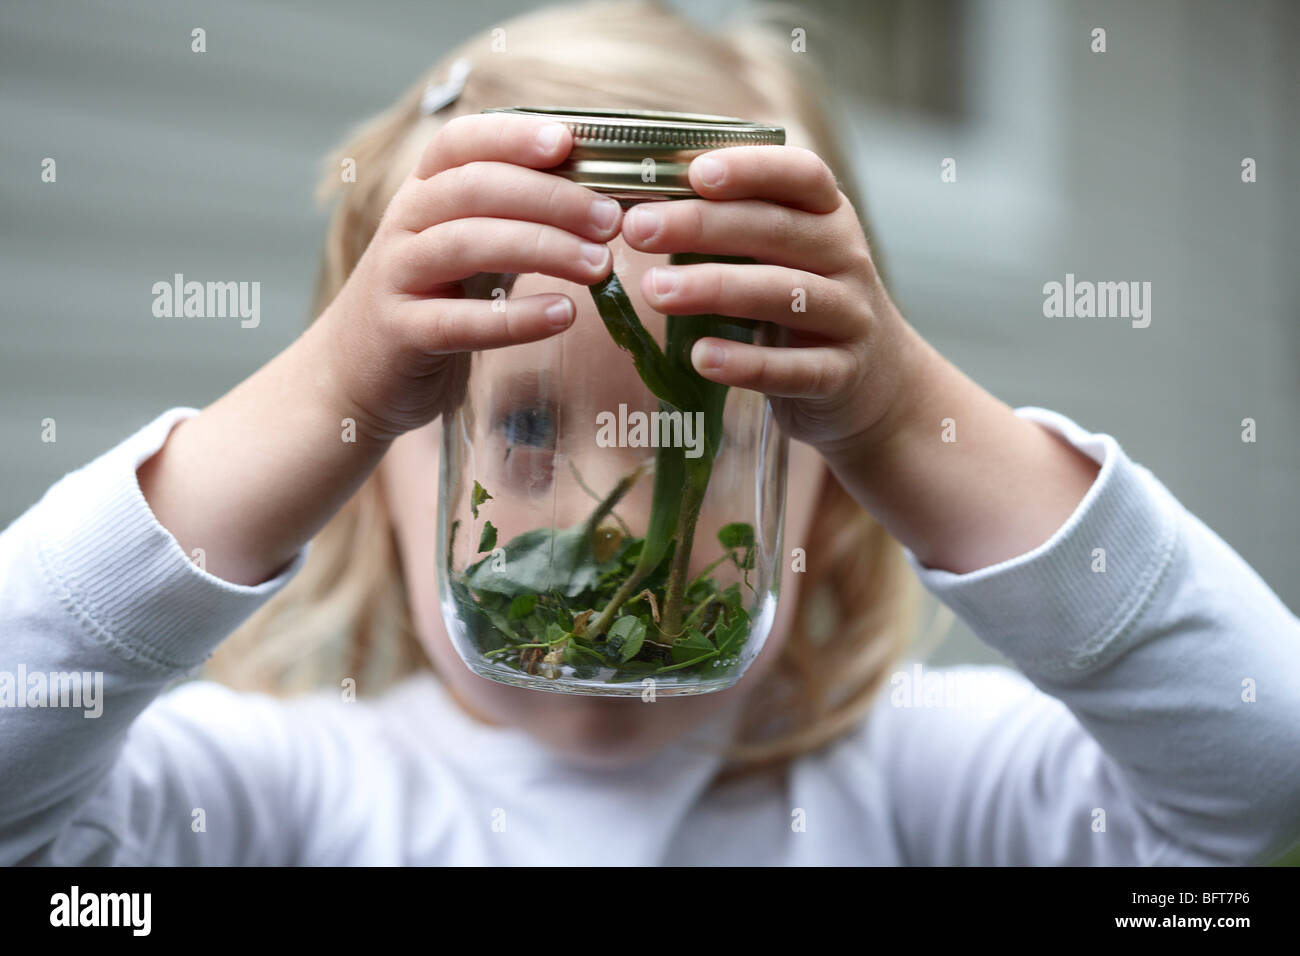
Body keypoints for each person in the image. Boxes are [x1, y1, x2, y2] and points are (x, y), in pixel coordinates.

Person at [2, 1, 1297, 865]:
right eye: (515, 423)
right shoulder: (282, 797)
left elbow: (1262, 766)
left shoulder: (923, 786)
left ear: (831, 484)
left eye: (712, 428)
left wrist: (904, 413)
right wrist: (323, 388)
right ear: (362, 472)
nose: (593, 519)